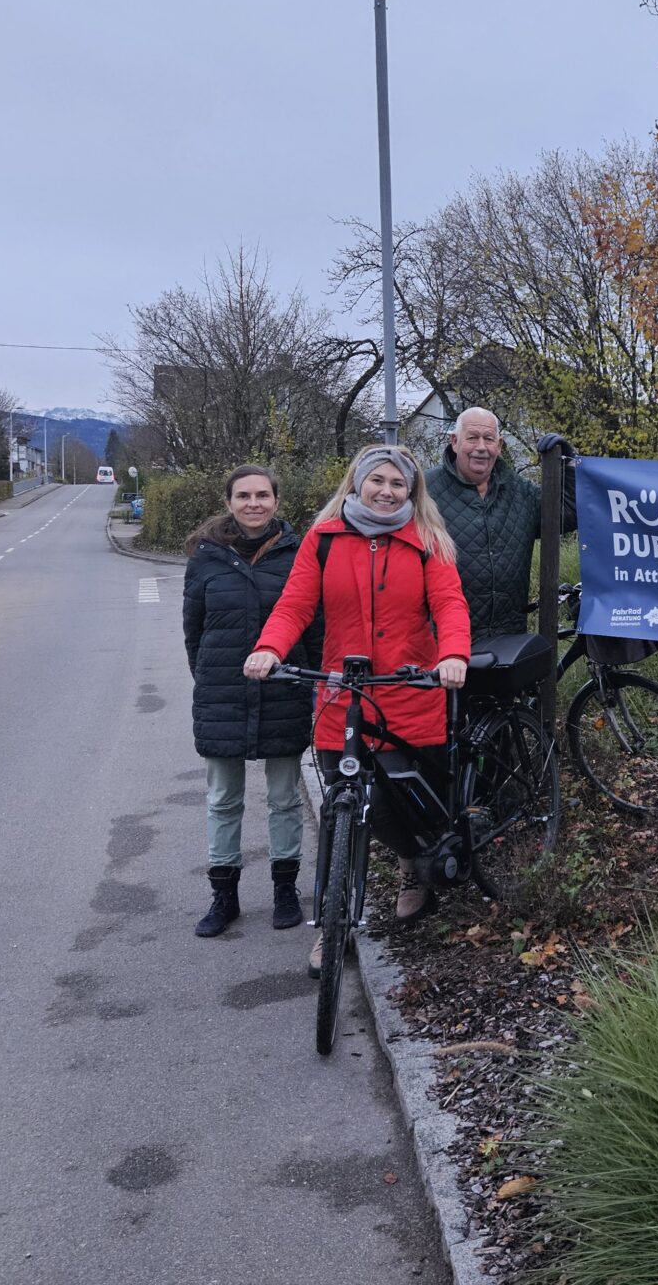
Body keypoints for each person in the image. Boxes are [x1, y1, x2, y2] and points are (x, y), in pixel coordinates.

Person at [244, 444, 471, 976]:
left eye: (398, 484)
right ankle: (332, 924)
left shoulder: (427, 540)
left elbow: (448, 603)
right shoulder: (323, 539)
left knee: (400, 806)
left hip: (406, 691)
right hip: (342, 694)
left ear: (411, 491)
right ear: (358, 483)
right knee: (341, 810)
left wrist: (453, 655)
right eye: (378, 481)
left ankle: (412, 865)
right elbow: (296, 603)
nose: (387, 491)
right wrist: (269, 648)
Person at [182, 465, 322, 938]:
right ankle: (225, 896)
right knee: (223, 799)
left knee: (284, 798)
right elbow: (193, 631)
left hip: (285, 688)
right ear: (229, 502)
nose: (254, 503)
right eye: (244, 495)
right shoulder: (205, 558)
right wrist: (209, 678)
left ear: (276, 501)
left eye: (263, 495)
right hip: (222, 692)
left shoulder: (300, 555)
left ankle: (285, 890)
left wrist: (314, 682)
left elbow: (314, 625)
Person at [425, 407, 574, 640]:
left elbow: (566, 514)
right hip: (444, 641)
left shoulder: (519, 491)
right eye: (472, 438)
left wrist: (568, 466)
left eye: (489, 439)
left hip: (508, 637)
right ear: (454, 441)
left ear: (500, 445)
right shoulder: (425, 491)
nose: (481, 447)